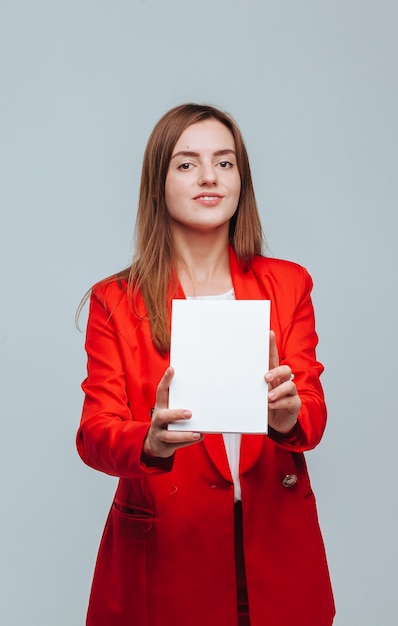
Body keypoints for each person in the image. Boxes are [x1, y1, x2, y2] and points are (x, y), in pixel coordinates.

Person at [76, 103, 335, 626]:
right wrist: (146, 441)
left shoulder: (288, 284)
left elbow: (311, 409)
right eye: (187, 163)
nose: (210, 176)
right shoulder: (115, 300)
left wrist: (288, 416)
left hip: (274, 551)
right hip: (167, 557)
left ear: (243, 179)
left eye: (226, 161)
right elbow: (94, 432)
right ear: (159, 182)